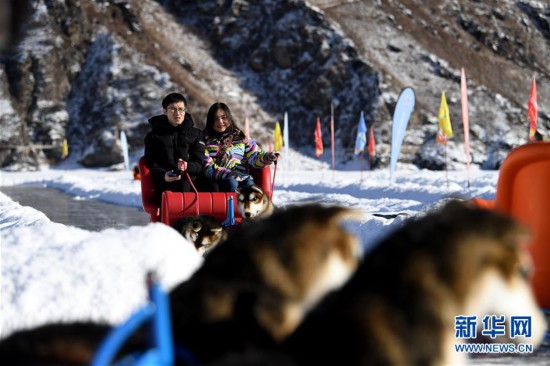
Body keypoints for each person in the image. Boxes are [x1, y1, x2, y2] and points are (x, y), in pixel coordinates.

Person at [203, 102, 278, 192]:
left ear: (230, 119)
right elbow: (207, 166)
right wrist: (229, 174)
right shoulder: (204, 140)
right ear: (210, 121)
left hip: (243, 178)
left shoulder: (241, 137)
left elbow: (254, 156)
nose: (220, 121)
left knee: (249, 185)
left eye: (224, 117)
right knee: (232, 183)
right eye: (216, 118)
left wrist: (267, 157)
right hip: (219, 180)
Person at [144, 93, 207, 193]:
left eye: (181, 109)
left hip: (192, 182)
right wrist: (163, 175)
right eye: (172, 109)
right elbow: (151, 163)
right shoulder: (153, 137)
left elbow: (200, 161)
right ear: (165, 111)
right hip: (166, 183)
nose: (178, 113)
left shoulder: (196, 134)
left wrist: (187, 166)